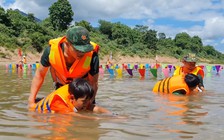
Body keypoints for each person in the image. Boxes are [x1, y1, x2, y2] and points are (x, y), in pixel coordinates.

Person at [28, 26, 100, 108]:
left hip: (82, 94)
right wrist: (31, 100)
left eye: (85, 49)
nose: (82, 53)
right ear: (67, 43)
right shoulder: (51, 51)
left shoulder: (92, 55)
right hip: (61, 87)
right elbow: (39, 75)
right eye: (78, 50)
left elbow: (93, 83)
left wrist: (89, 103)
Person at [30, 78, 110, 119]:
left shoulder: (80, 95)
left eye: (88, 100)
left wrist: (111, 115)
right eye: (84, 101)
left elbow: (94, 107)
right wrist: (95, 118)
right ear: (72, 98)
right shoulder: (59, 101)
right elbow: (72, 115)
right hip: (36, 112)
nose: (87, 103)